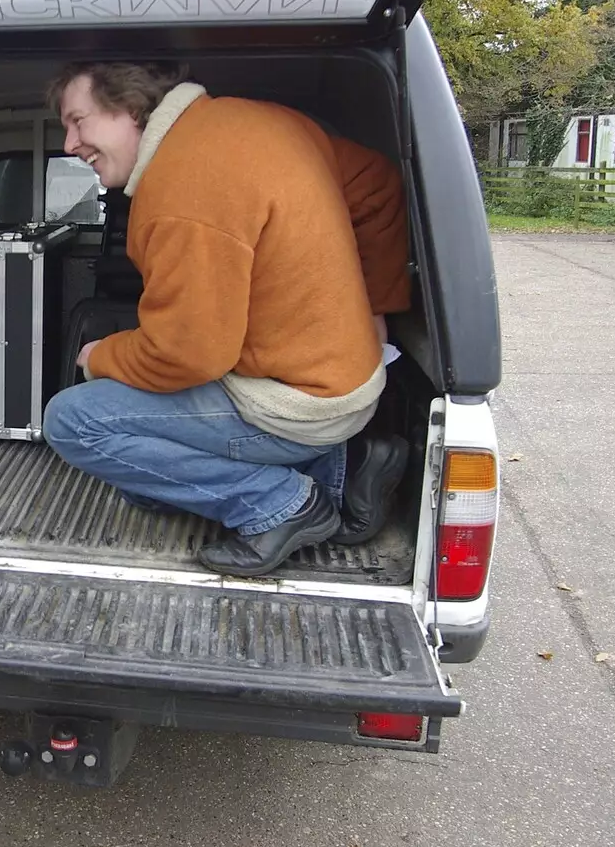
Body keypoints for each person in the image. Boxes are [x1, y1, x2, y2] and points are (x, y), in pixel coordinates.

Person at [42, 62, 408, 576]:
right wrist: (376, 308)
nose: (69, 144)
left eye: (78, 121)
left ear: (129, 108)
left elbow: (187, 355)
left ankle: (280, 505)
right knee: (144, 491)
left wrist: (100, 356)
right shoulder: (257, 122)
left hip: (289, 407)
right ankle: (343, 470)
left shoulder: (181, 187)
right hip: (352, 383)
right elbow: (377, 186)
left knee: (72, 420)